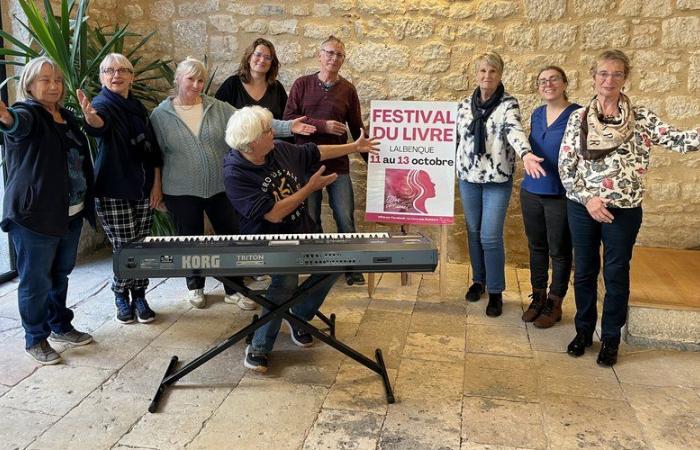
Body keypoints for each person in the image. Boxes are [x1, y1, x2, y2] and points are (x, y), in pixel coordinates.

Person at [559, 49, 699, 366]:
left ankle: (610, 338)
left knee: (616, 273)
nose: (609, 80)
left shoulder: (642, 118)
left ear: (626, 78)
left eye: (617, 74)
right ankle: (583, 331)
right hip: (583, 207)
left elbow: (680, 140)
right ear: (593, 78)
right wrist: (589, 199)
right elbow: (566, 168)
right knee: (583, 271)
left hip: (624, 210)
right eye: (603, 73)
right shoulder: (577, 118)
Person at [222, 106, 379, 373]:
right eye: (267, 131)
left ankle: (299, 317)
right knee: (286, 280)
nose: (274, 133)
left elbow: (315, 151)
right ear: (250, 144)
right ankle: (259, 348)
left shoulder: (277, 150)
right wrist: (310, 188)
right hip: (264, 242)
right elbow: (272, 214)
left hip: (300, 230)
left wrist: (354, 146)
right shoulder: (235, 172)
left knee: (335, 263)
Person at [150, 57, 315, 310]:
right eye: (190, 79)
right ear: (178, 80)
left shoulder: (217, 107)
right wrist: (156, 188)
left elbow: (255, 124)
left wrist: (289, 126)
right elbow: (156, 156)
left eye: (201, 80)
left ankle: (234, 288)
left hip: (220, 187)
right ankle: (195, 286)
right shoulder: (160, 115)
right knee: (189, 239)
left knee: (231, 239)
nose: (196, 84)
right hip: (180, 190)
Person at [0, 57, 95, 364]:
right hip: (35, 216)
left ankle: (60, 325)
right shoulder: (28, 114)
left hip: (70, 213)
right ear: (29, 84)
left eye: (57, 79)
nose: (53, 85)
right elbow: (16, 126)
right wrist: (5, 116)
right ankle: (35, 338)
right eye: (45, 80)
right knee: (35, 281)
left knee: (60, 274)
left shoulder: (66, 117)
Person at [456, 51, 545, 317]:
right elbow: (452, 139)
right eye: (483, 71)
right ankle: (479, 281)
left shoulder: (508, 104)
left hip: (497, 179)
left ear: (500, 75)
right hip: (468, 178)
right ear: (476, 74)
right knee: (473, 232)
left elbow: (514, 130)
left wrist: (527, 154)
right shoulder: (462, 105)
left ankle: (495, 291)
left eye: (493, 71)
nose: (487, 76)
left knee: (489, 236)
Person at [78, 53, 163, 325]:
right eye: (109, 71)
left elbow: (152, 151)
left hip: (143, 186)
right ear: (102, 77)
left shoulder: (137, 107)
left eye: (122, 70)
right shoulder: (103, 104)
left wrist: (156, 185)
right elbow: (100, 125)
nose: (116, 75)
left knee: (141, 246)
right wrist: (90, 118)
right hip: (114, 188)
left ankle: (139, 293)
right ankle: (121, 294)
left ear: (132, 76)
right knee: (125, 247)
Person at [283, 35, 367, 286]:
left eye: (339, 55)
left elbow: (357, 128)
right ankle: (319, 265)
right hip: (306, 166)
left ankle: (351, 266)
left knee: (344, 216)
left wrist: (375, 162)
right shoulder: (301, 84)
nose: (333, 58)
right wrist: (323, 125)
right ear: (319, 55)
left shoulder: (348, 90)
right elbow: (289, 119)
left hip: (338, 166)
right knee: (310, 217)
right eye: (329, 53)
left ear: (343, 60)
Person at [520, 66, 580, 328]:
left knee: (560, 250)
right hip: (531, 191)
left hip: (560, 194)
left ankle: (555, 302)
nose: (548, 84)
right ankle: (539, 297)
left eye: (554, 79)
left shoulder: (578, 114)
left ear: (565, 83)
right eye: (543, 80)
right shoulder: (536, 113)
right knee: (537, 247)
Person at [215, 38, 288, 120]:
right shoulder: (232, 84)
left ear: (272, 62)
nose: (262, 60)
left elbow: (286, 119)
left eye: (267, 57)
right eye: (258, 55)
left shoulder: (277, 88)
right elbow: (216, 115)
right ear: (249, 58)